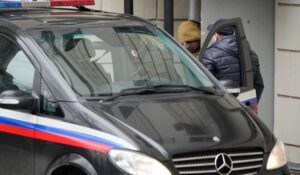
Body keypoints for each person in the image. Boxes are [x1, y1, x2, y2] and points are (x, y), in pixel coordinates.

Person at [200, 19, 264, 102]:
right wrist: (249, 104)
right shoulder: (252, 54)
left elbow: (205, 86)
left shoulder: (210, 55)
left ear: (216, 36)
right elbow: (259, 85)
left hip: (221, 107)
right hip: (244, 107)